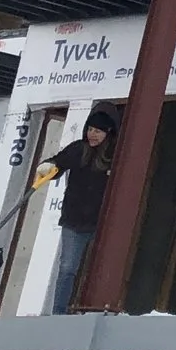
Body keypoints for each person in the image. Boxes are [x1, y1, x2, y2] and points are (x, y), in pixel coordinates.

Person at [40, 108, 117, 315]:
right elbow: (58, 162)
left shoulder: (115, 155)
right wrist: (48, 167)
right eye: (90, 129)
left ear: (108, 133)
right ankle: (59, 312)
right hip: (74, 221)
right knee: (67, 269)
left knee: (99, 270)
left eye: (98, 131)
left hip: (102, 223)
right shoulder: (78, 150)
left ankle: (94, 310)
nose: (92, 134)